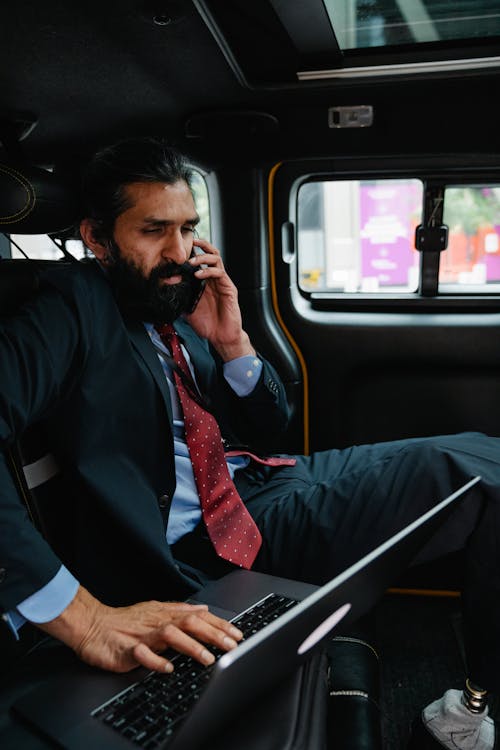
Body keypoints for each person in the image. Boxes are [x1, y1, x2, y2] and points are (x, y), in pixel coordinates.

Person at [1, 137, 500, 750]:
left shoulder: (170, 309)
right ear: (98, 238)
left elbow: (270, 428)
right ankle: (470, 713)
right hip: (213, 542)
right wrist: (84, 616)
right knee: (480, 483)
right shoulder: (74, 305)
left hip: (258, 479)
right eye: (154, 230)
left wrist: (232, 343)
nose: (180, 252)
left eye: (188, 228)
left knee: (484, 454)